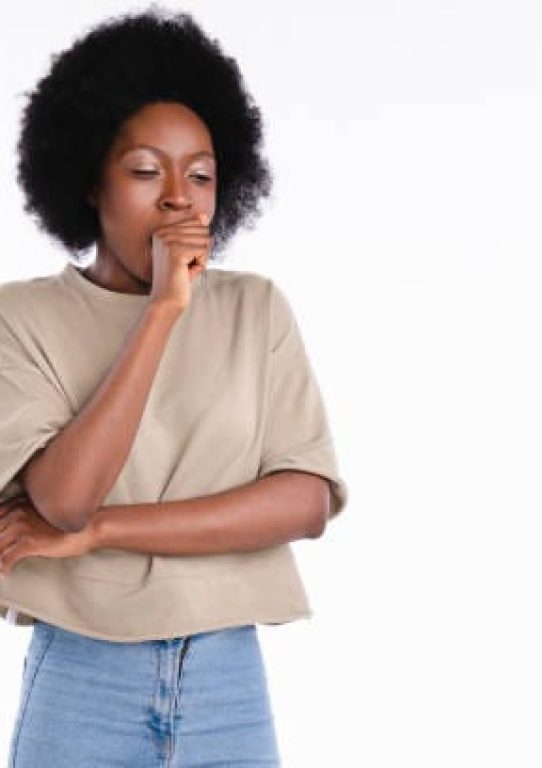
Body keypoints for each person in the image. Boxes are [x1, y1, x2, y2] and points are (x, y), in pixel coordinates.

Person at [0, 6, 348, 766]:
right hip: (84, 670)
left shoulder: (254, 309)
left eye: (200, 175)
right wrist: (161, 311)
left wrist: (103, 535)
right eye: (146, 171)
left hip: (226, 670)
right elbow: (62, 498)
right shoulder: (21, 317)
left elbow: (305, 501)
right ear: (90, 180)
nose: (178, 200)